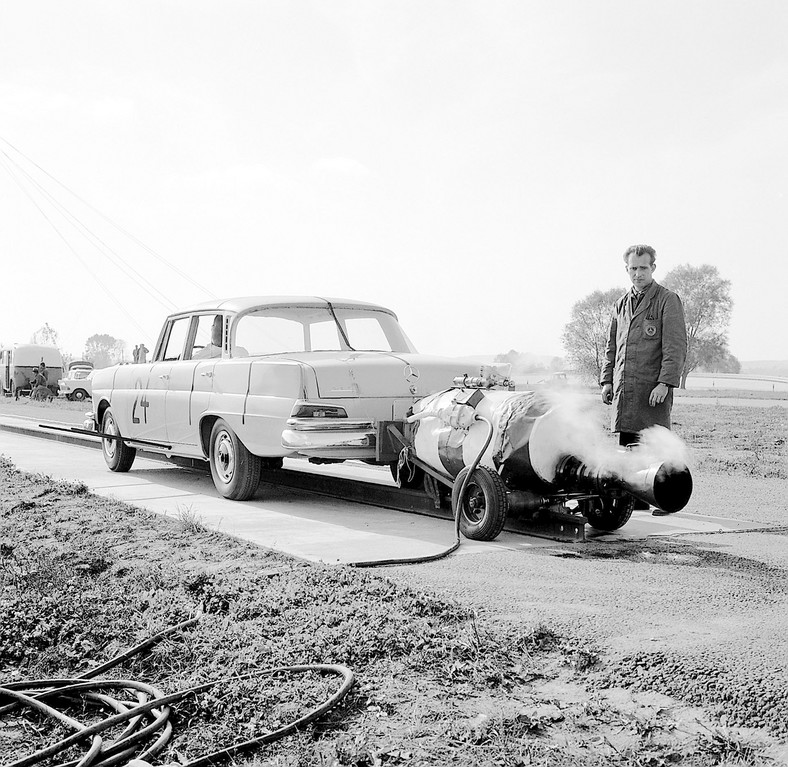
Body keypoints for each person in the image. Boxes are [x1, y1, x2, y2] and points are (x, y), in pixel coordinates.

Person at [600, 244, 687, 510]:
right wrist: (606, 381)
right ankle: (635, 501)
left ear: (653, 268)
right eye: (633, 269)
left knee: (656, 445)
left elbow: (675, 346)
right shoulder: (621, 304)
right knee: (628, 446)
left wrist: (665, 383)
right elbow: (611, 346)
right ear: (626, 269)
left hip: (652, 390)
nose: (638, 274)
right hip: (625, 390)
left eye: (643, 268)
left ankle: (663, 499)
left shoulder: (667, 299)